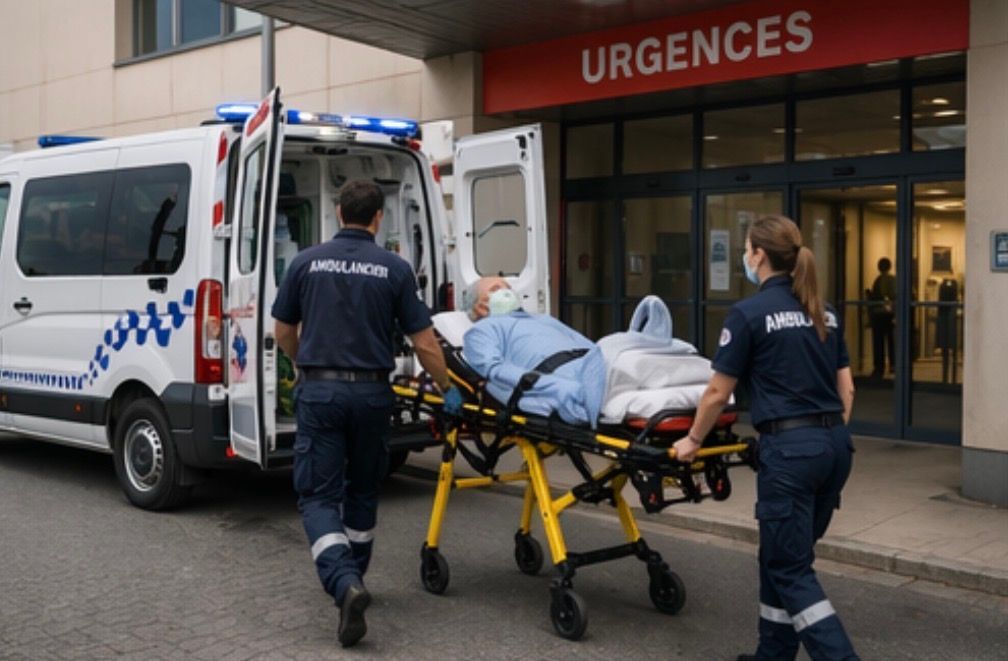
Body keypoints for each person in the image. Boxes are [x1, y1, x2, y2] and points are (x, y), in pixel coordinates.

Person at [272, 180, 462, 648]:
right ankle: (353, 577)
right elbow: (424, 343)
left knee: (318, 497)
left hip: (321, 393)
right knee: (362, 489)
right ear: (379, 218)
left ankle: (344, 584)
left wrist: (304, 365)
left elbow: (283, 330)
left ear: (339, 212)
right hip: (374, 395)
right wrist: (447, 388)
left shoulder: (305, 262)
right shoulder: (395, 268)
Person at [673, 215, 858, 661]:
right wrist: (825, 436)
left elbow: (717, 393)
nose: (745, 256)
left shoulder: (749, 314)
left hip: (792, 453)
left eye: (746, 249)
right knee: (782, 557)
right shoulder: (825, 311)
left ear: (758, 255)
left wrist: (693, 440)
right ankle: (772, 655)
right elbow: (847, 390)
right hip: (834, 447)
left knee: (790, 569)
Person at [868, 257, 896, 378]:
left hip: (879, 314)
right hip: (888, 314)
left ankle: (879, 367)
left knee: (878, 342)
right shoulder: (891, 280)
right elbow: (893, 296)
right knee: (891, 340)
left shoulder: (878, 280)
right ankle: (893, 364)